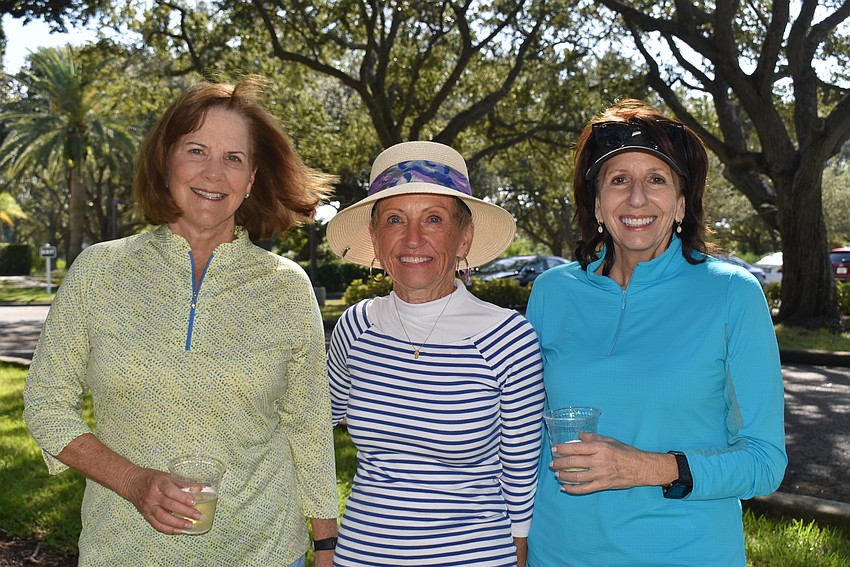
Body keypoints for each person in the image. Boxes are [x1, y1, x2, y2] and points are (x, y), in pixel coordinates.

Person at [23, 77, 339, 567]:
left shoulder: (286, 286)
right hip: (123, 552)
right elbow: (46, 406)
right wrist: (134, 481)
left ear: (252, 178)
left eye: (234, 158)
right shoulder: (98, 271)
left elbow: (310, 427)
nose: (214, 173)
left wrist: (325, 547)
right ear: (166, 161)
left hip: (262, 551)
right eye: (196, 150)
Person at [524, 99, 787, 566]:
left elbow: (764, 463)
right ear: (597, 202)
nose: (638, 198)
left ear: (682, 203)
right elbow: (522, 435)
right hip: (557, 553)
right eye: (619, 180)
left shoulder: (731, 294)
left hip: (685, 553)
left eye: (657, 180)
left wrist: (645, 467)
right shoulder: (552, 293)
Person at [325, 140, 545, 566]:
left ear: (465, 236)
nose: (412, 239)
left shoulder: (508, 339)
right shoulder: (355, 327)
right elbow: (311, 430)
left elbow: (521, 477)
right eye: (394, 219)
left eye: (433, 219)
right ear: (374, 237)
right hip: (362, 555)